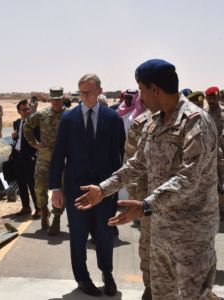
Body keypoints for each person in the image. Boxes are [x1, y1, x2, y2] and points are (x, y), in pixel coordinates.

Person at [75, 59, 219, 299]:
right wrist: (103, 189)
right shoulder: (153, 122)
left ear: (154, 89)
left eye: (141, 90)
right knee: (161, 293)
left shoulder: (196, 122)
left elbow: (189, 176)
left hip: (192, 234)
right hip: (160, 230)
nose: (140, 98)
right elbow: (138, 163)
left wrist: (146, 205)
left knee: (195, 296)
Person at [49, 74, 125, 297]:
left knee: (104, 233)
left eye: (89, 92)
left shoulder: (113, 119)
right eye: (81, 92)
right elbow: (58, 155)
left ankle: (107, 274)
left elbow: (120, 155)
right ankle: (82, 278)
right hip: (75, 190)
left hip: (104, 189)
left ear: (100, 91)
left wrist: (115, 187)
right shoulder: (69, 119)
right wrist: (56, 188)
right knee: (78, 236)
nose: (85, 96)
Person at [24, 87, 66, 235]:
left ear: (63, 99)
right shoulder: (42, 115)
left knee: (60, 189)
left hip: (62, 160)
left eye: (58, 99)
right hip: (44, 158)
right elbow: (27, 126)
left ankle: (57, 218)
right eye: (53, 99)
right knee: (39, 187)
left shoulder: (69, 115)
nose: (56, 102)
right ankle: (43, 211)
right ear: (50, 100)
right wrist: (34, 143)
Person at [123, 109, 152, 299]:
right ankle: (149, 287)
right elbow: (130, 159)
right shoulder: (140, 123)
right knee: (148, 243)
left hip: (180, 201)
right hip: (146, 197)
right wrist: (134, 193)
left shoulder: (190, 119)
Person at [11, 99, 40, 218]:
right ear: (19, 111)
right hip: (18, 156)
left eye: (28, 109)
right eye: (24, 110)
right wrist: (14, 136)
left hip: (29, 157)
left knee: (32, 184)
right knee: (21, 183)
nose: (27, 111)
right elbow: (18, 139)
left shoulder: (35, 124)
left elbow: (39, 140)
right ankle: (26, 207)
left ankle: (38, 209)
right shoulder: (17, 123)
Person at [205, 86, 224, 217]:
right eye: (210, 97)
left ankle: (222, 211)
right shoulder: (203, 113)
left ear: (218, 97)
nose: (212, 100)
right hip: (207, 154)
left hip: (221, 154)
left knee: (222, 183)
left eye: (214, 97)